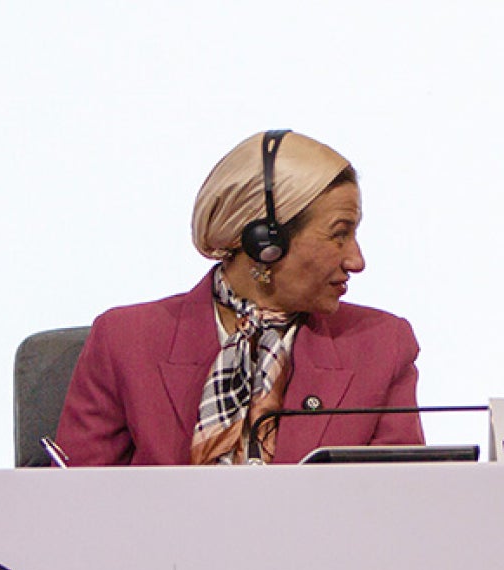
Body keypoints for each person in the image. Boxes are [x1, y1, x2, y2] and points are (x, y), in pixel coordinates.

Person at [56, 130, 424, 465]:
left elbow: (398, 506)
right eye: (339, 235)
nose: (355, 261)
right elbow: (75, 507)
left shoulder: (383, 345)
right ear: (266, 243)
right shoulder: (124, 341)